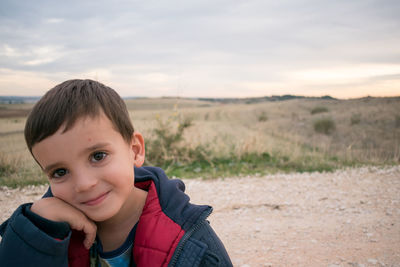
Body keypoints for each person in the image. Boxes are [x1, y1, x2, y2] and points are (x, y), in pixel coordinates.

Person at [0, 79, 232, 267]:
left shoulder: (192, 242)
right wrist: (38, 230)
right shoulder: (47, 230)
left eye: (98, 156)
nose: (83, 184)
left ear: (135, 150)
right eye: (60, 172)